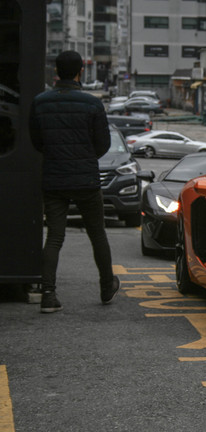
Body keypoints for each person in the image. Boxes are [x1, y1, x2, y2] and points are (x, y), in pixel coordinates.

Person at [29, 50, 120, 313]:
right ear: (81, 71)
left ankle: (48, 294)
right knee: (97, 234)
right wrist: (83, 156)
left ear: (56, 72)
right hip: (86, 180)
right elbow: (103, 145)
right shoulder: (92, 104)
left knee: (55, 237)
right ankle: (106, 286)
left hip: (54, 179)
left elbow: (37, 142)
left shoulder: (40, 102)